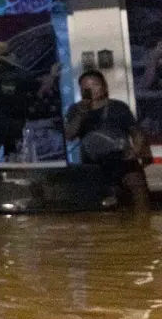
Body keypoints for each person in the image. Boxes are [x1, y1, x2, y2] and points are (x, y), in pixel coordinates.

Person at [64, 70, 152, 212]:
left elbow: (135, 131)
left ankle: (143, 225)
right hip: (93, 162)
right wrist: (81, 114)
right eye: (86, 87)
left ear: (104, 87)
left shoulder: (118, 107)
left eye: (95, 85)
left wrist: (137, 150)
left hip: (122, 158)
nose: (91, 89)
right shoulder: (75, 109)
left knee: (138, 189)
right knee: (96, 206)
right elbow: (69, 135)